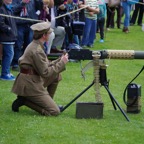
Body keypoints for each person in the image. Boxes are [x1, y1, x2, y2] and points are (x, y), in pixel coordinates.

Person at [11, 21, 69, 116]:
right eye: (49, 33)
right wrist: (62, 63)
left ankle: (47, 103)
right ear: (44, 35)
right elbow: (45, 72)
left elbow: (45, 64)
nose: (50, 35)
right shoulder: (37, 50)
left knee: (56, 76)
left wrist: (60, 60)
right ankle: (25, 101)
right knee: (54, 112)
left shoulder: (37, 45)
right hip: (30, 83)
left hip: (32, 78)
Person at [11, 0, 40, 71]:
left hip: (30, 24)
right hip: (19, 24)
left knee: (28, 44)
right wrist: (23, 3)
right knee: (18, 44)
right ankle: (15, 63)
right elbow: (13, 10)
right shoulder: (15, 1)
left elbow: (39, 7)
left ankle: (26, 63)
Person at [0, 0, 17, 80]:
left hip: (10, 36)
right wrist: (9, 29)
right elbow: (1, 23)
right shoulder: (2, 9)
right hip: (6, 36)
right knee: (9, 55)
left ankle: (6, 72)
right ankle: (4, 74)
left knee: (9, 55)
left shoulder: (9, 9)